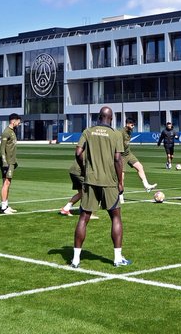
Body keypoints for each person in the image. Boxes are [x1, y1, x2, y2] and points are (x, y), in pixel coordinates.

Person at [71, 106, 129, 267]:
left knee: (84, 217)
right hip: (109, 182)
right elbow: (118, 159)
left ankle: (75, 259)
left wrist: (84, 169)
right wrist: (120, 182)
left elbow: (77, 152)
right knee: (115, 217)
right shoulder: (116, 134)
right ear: (111, 118)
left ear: (98, 117)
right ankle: (117, 258)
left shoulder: (88, 131)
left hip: (90, 180)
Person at [119, 117, 158, 202]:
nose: (133, 126)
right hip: (121, 156)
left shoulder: (130, 131)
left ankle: (146, 186)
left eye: (134, 125)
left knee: (140, 167)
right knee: (121, 177)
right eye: (132, 125)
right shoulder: (121, 132)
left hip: (128, 153)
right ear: (127, 124)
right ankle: (120, 195)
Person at [0, 113, 21, 214]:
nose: (19, 123)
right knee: (6, 183)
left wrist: (14, 161)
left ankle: (6, 205)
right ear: (13, 121)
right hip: (7, 162)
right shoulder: (6, 132)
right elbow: (2, 148)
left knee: (8, 183)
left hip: (11, 162)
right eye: (18, 121)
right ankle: (3, 207)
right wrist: (4, 162)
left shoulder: (12, 132)